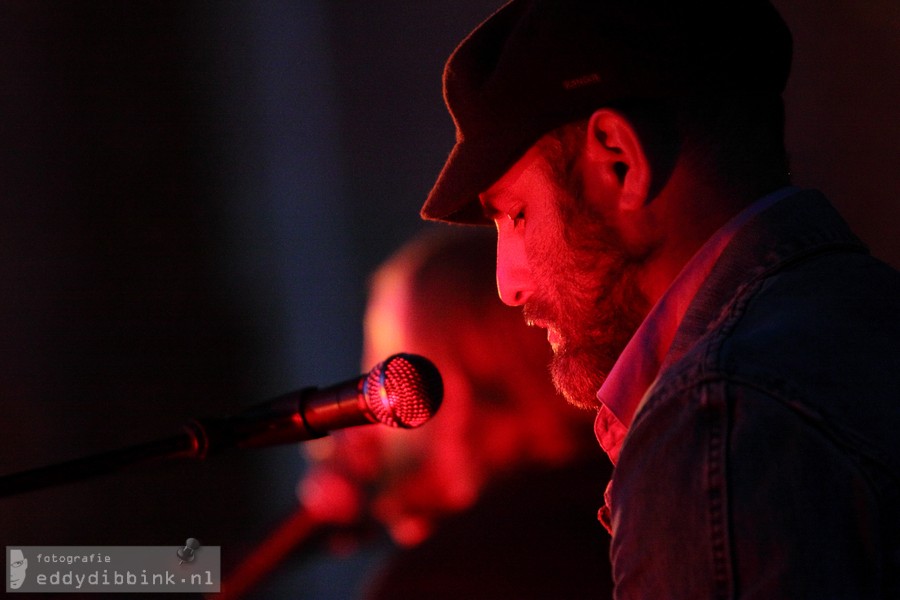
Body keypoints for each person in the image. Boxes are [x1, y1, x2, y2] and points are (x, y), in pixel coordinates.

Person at [419, 1, 900, 598]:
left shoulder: (717, 422)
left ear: (620, 161)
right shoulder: (864, 316)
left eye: (516, 214)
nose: (508, 285)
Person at [296, 227, 614, 598]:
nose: (370, 421)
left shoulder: (445, 577)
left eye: (390, 374)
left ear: (460, 392)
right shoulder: (629, 503)